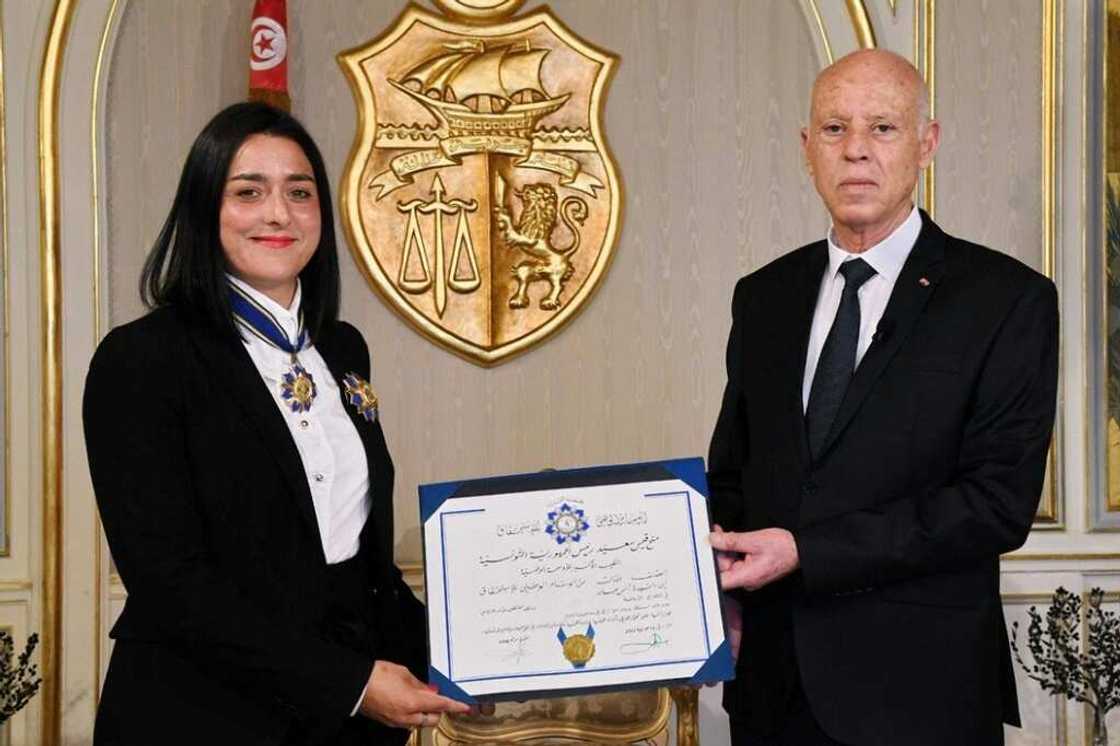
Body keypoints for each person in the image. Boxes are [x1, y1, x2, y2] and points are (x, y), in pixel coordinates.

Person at [83, 102, 469, 745]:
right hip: (199, 716)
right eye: (247, 192)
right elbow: (170, 582)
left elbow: (362, 572)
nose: (277, 213)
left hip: (343, 728)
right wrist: (348, 683)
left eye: (299, 192)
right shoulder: (142, 359)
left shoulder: (343, 349)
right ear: (203, 208)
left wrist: (470, 660)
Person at [706, 49, 1059, 746]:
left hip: (923, 696)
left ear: (927, 143)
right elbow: (733, 471)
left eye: (884, 129)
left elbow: (995, 504)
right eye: (834, 130)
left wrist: (805, 550)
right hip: (774, 694)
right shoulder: (764, 295)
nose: (856, 152)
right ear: (807, 150)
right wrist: (717, 591)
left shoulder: (1005, 300)